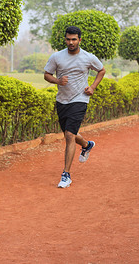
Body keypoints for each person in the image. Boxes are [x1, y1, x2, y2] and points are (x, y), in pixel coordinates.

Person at [44, 26, 105, 188]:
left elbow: (101, 70)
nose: (71, 42)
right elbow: (47, 74)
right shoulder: (57, 57)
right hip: (62, 100)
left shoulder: (88, 57)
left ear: (79, 40)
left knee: (70, 135)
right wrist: (57, 81)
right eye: (68, 39)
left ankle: (66, 174)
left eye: (74, 39)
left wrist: (92, 87)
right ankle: (87, 145)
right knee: (68, 134)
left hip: (80, 99)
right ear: (65, 40)